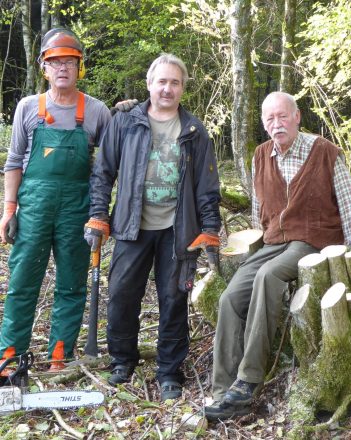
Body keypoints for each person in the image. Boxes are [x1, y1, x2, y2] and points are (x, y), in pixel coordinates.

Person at [204, 91, 351, 421]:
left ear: (297, 117)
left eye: (282, 116)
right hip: (273, 243)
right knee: (230, 298)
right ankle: (223, 389)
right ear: (264, 124)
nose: (276, 123)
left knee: (269, 276)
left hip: (313, 241)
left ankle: (248, 381)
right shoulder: (262, 155)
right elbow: (258, 210)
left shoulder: (323, 152)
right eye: (269, 118)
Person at [85, 53, 221, 400]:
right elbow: (103, 173)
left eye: (175, 82)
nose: (167, 88)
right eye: (161, 81)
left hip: (178, 229)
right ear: (149, 84)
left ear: (182, 88)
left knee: (174, 299)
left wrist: (210, 229)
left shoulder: (194, 130)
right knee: (121, 294)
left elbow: (207, 187)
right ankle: (122, 360)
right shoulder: (126, 122)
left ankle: (169, 371)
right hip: (132, 226)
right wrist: (99, 214)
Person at [0, 28, 111, 372]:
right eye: (55, 62)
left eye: (69, 62)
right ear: (44, 68)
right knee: (21, 282)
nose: (62, 68)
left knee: (72, 282)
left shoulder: (96, 112)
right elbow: (15, 161)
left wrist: (99, 214)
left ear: (80, 67)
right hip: (33, 206)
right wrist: (8, 209)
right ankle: (9, 356)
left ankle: (59, 354)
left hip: (77, 208)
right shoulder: (28, 108)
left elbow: (105, 170)